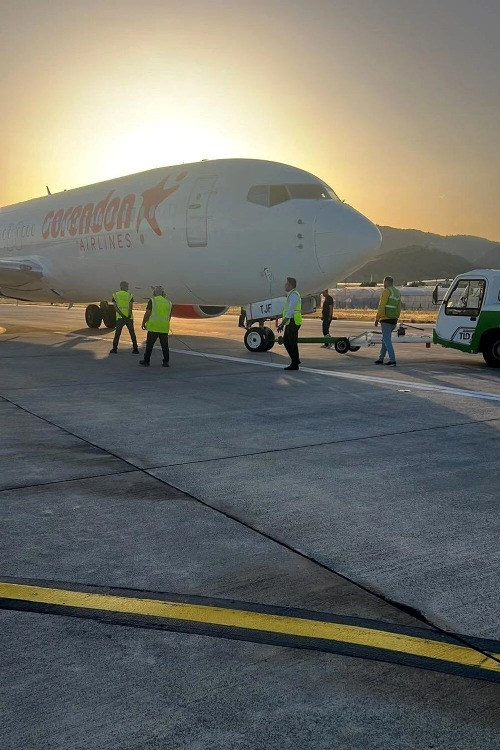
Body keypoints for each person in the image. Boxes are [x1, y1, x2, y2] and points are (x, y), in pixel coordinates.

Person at [139, 286, 172, 367]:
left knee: (149, 346)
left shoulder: (152, 301)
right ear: (163, 293)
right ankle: (166, 362)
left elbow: (148, 313)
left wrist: (143, 322)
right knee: (165, 346)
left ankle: (146, 361)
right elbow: (169, 316)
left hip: (153, 327)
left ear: (154, 293)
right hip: (164, 328)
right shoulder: (169, 303)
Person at [374, 276, 401, 366]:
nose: (383, 284)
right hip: (394, 320)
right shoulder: (397, 292)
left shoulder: (387, 291)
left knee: (387, 340)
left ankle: (392, 360)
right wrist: (396, 317)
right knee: (384, 340)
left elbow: (382, 305)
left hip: (386, 319)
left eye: (383, 282)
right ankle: (381, 358)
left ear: (386, 282)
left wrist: (377, 318)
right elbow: (399, 307)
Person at [277, 277, 302, 370]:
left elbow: (290, 311)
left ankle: (295, 363)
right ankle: (295, 361)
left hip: (293, 322)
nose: (285, 285)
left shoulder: (293, 295)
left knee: (291, 343)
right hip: (290, 322)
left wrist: (282, 324)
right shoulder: (291, 294)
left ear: (290, 285)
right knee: (287, 341)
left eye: (286, 284)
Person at [109, 281, 139, 354]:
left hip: (120, 318)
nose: (127, 288)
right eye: (127, 286)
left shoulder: (115, 295)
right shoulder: (130, 295)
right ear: (125, 287)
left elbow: (115, 307)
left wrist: (122, 315)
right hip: (129, 318)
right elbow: (131, 307)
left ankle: (114, 349)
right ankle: (135, 349)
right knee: (132, 334)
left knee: (117, 334)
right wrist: (128, 315)